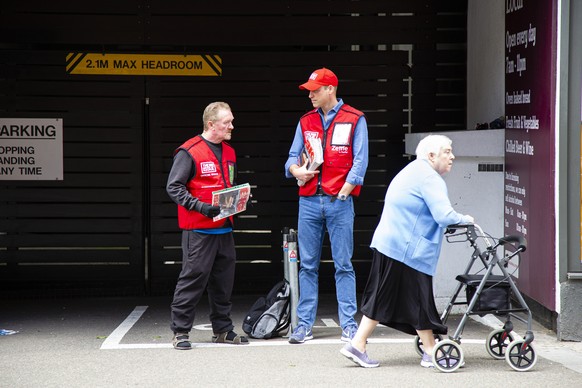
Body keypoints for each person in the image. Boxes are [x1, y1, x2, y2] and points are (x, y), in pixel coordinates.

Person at [339, 134, 474, 368]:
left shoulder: (412, 170)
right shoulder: (430, 178)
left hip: (391, 242)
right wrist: (467, 219)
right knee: (417, 298)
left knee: (384, 296)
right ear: (432, 155)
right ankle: (431, 351)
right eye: (447, 151)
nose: (452, 156)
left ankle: (358, 344)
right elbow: (444, 215)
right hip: (408, 248)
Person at [284, 68, 369, 344]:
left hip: (338, 201)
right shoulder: (305, 120)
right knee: (307, 265)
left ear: (331, 89)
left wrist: (345, 190)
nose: (310, 94)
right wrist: (296, 171)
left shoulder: (355, 118)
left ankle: (348, 324)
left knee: (343, 264)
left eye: (316, 90)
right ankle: (304, 325)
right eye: (309, 90)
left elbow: (361, 159)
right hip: (308, 200)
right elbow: (291, 158)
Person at [167, 101, 248, 350]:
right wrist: (200, 207)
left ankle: (222, 330)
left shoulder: (230, 151)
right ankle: (180, 332)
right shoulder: (189, 151)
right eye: (227, 122)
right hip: (199, 230)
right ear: (211, 124)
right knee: (193, 279)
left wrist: (241, 198)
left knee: (223, 283)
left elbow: (227, 184)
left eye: (231, 121)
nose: (232, 126)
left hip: (224, 229)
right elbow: (174, 187)